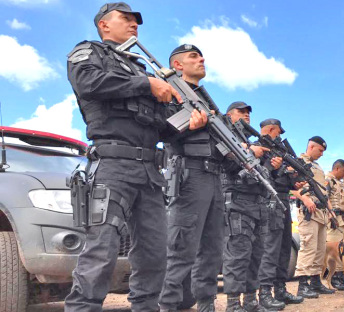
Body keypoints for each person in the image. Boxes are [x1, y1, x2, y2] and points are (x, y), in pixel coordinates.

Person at [64, 3, 207, 311]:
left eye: (136, 22)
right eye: (125, 19)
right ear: (104, 25)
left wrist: (186, 125)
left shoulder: (139, 68)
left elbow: (162, 129)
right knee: (101, 251)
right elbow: (87, 82)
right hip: (112, 166)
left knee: (155, 255)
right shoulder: (89, 52)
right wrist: (147, 84)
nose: (134, 25)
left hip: (149, 172)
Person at [159, 44, 224, 312]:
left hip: (214, 176)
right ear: (178, 65)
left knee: (211, 248)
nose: (202, 60)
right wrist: (189, 125)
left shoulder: (205, 98)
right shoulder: (170, 92)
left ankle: (206, 303)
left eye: (201, 56)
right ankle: (169, 305)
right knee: (181, 248)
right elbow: (162, 131)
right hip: (190, 174)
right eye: (193, 57)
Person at [221, 102, 281, 312]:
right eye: (241, 112)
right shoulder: (224, 135)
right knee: (238, 255)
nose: (246, 115)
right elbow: (228, 166)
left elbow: (257, 175)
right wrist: (249, 153)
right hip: (238, 202)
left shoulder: (249, 142)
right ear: (229, 115)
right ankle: (232, 304)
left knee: (256, 256)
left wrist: (267, 166)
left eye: (248, 113)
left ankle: (250, 301)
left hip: (257, 204)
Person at [257, 119, 304, 310]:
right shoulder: (257, 149)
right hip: (269, 200)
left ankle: (280, 289)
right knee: (271, 249)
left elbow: (283, 179)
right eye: (278, 133)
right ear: (270, 130)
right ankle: (265, 292)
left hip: (283, 200)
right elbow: (260, 176)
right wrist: (273, 167)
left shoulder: (279, 153)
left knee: (284, 248)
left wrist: (295, 182)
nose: (280, 136)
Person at [293, 136, 335, 298]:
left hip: (322, 212)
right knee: (308, 247)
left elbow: (324, 192)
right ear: (311, 147)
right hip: (308, 211)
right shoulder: (297, 161)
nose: (322, 154)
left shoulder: (317, 166)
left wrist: (331, 212)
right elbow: (291, 185)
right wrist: (304, 198)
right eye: (320, 150)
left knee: (319, 250)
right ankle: (303, 285)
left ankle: (316, 282)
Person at [324, 159, 344, 291]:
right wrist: (331, 215)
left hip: (340, 219)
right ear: (337, 169)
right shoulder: (328, 179)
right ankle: (335, 278)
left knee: (341, 250)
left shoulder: (338, 183)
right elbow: (325, 197)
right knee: (335, 251)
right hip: (333, 219)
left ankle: (339, 277)